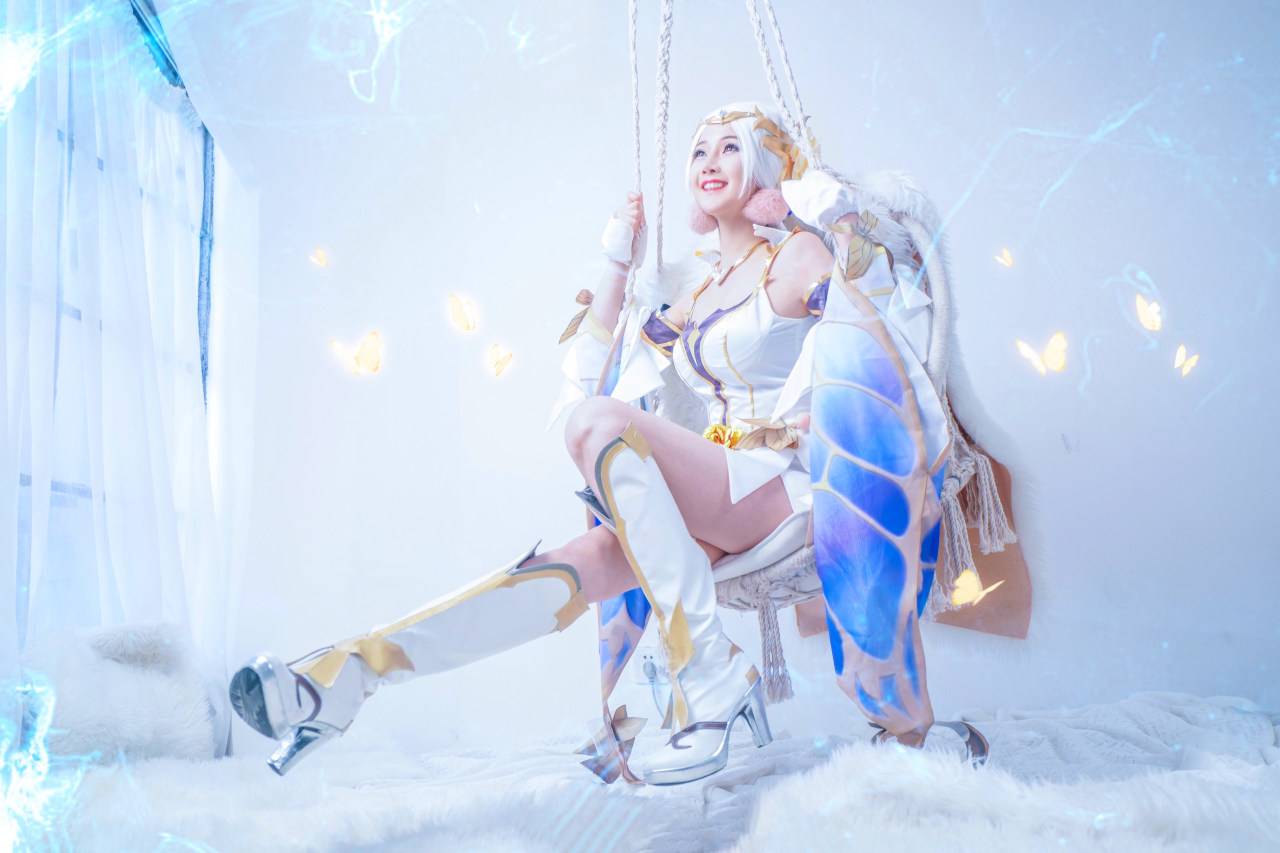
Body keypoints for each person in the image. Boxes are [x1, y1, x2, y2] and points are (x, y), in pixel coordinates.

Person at [229, 101, 957, 784]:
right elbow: (604, 358)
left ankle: (709, 672)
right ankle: (346, 676)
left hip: (784, 488)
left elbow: (876, 308)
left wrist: (820, 210)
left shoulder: (795, 256)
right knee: (572, 562)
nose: (709, 161)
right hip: (721, 486)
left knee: (596, 424)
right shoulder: (702, 292)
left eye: (730, 147)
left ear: (765, 164)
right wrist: (617, 262)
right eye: (699, 150)